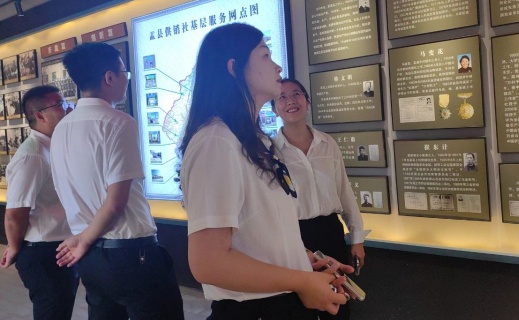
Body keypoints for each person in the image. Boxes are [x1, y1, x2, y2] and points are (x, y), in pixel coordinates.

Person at [179, 23, 352, 320]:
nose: (277, 66)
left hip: (281, 302)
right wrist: (301, 280)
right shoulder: (216, 141)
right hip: (255, 310)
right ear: (234, 68)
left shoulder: (256, 140)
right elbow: (209, 263)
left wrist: (305, 261)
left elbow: (260, 231)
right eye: (265, 55)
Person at [49, 42, 184, 320]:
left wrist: (85, 240)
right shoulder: (119, 122)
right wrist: (85, 240)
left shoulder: (61, 128)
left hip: (90, 259)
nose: (127, 79)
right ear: (109, 77)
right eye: (125, 72)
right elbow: (115, 203)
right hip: (130, 254)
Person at [272, 78, 368, 320]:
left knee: (338, 302)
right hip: (292, 236)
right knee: (297, 305)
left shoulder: (327, 143)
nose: (290, 101)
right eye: (281, 97)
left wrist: (357, 239)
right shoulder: (270, 150)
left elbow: (344, 191)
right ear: (274, 109)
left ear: (307, 101)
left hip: (329, 231)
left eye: (296, 94)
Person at [1, 86, 79, 320]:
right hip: (42, 252)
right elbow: (15, 213)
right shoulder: (32, 155)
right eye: (60, 105)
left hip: (60, 247)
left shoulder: (52, 147)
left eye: (66, 102)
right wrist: (14, 247)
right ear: (40, 115)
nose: (68, 108)